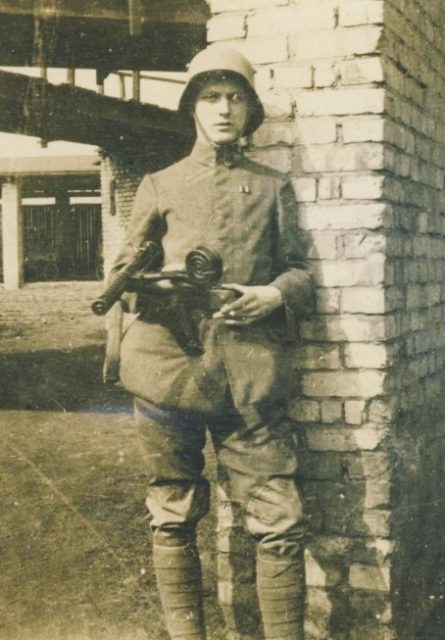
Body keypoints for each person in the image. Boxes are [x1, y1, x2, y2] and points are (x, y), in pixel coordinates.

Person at [110, 44, 313, 640]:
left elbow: (300, 270)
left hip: (249, 375)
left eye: (235, 99)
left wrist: (274, 295)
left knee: (279, 520)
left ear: (251, 111)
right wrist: (151, 283)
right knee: (172, 511)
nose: (223, 110)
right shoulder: (160, 183)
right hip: (166, 370)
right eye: (210, 98)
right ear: (192, 108)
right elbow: (120, 281)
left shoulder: (274, 188)